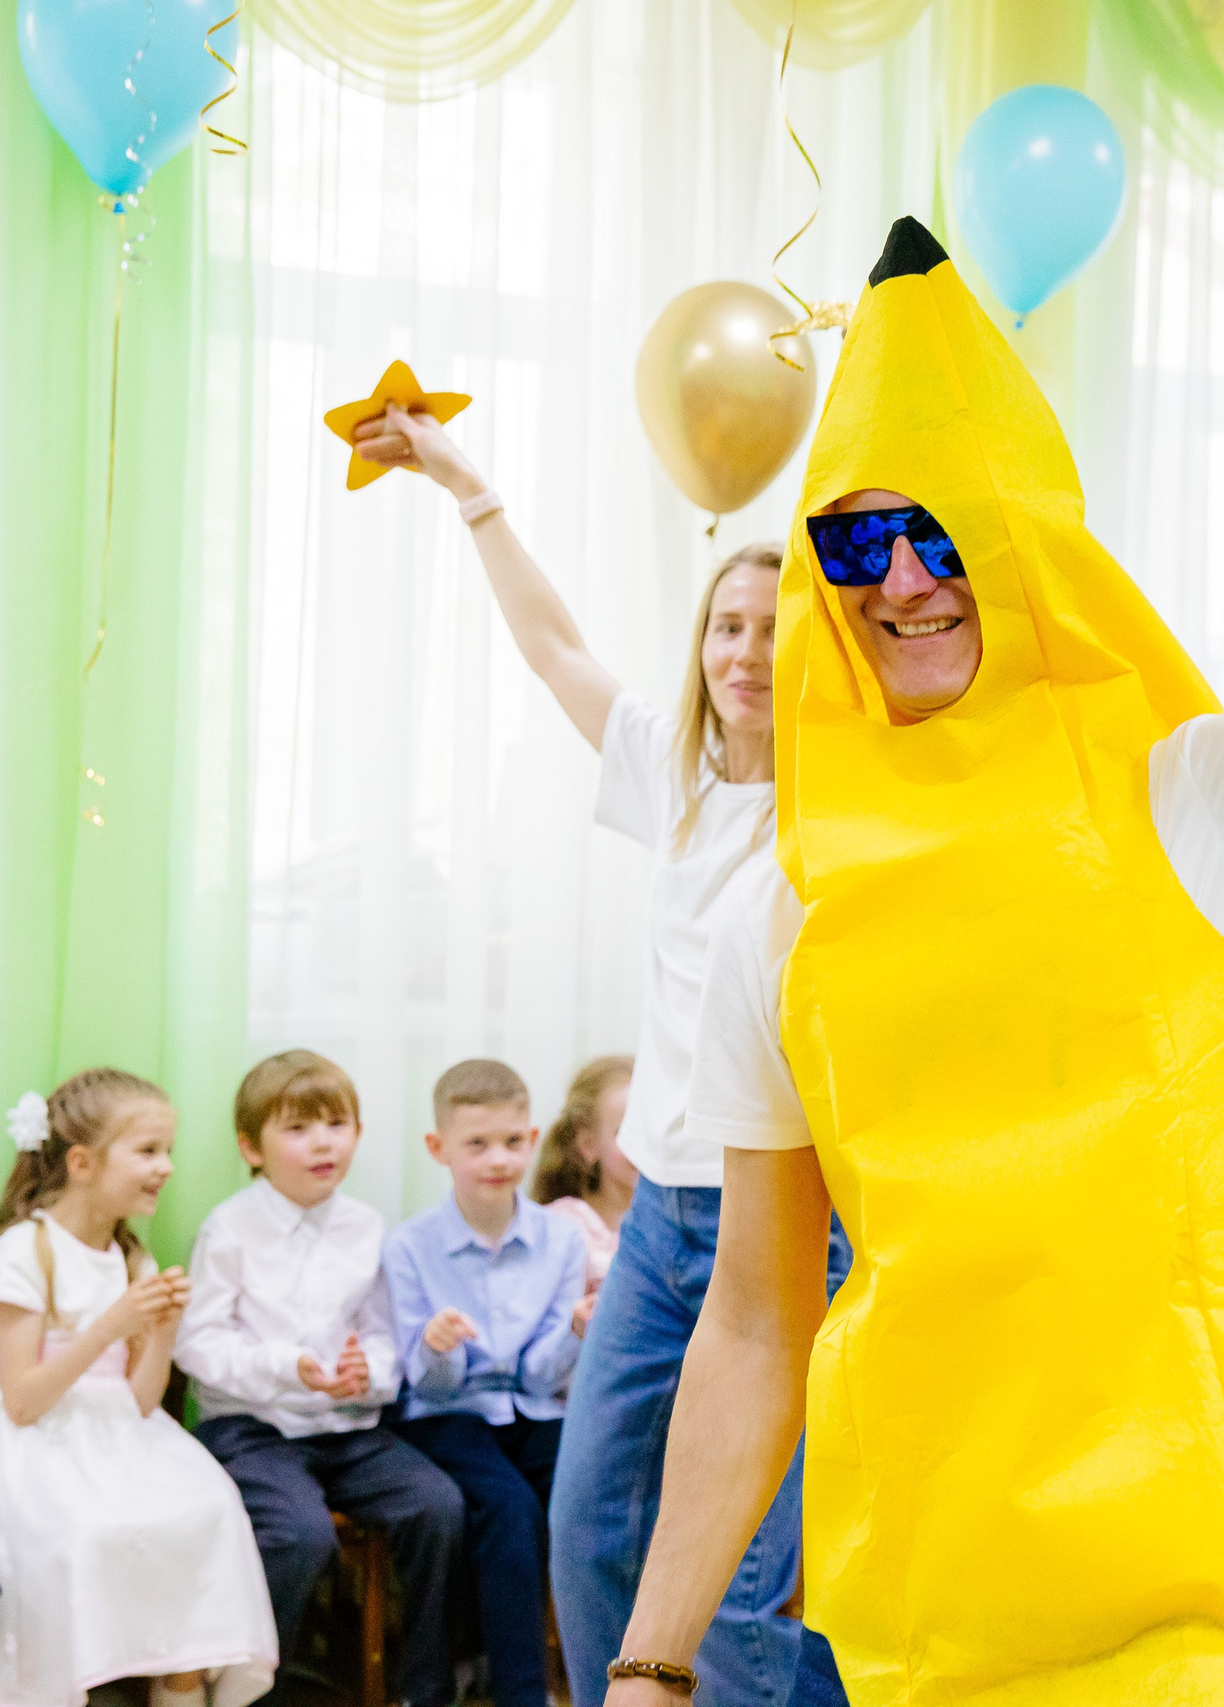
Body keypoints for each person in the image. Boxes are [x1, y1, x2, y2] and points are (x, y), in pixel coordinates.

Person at [605, 123, 1224, 1707]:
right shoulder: (787, 919)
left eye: (940, 529)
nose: (900, 579)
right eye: (853, 539)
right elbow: (756, 1323)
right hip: (953, 1590)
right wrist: (649, 1658)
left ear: (1022, 542)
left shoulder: (1192, 796)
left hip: (1221, 1580)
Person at [352, 375, 851, 1707]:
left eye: (774, 630)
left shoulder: (845, 812)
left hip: (793, 1221)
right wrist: (470, 487)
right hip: (664, 1218)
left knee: (741, 1573)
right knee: (594, 1525)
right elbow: (555, 644)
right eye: (725, 628)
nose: (745, 652)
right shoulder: (673, 779)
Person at [0, 1069, 278, 1707]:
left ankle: (180, 1684)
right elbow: (22, 1401)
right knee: (80, 1531)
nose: (166, 1167)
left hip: (110, 1431)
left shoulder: (132, 1257)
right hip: (26, 1437)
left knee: (207, 1510)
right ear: (81, 1162)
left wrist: (160, 1331)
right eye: (149, 1151)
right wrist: (113, 1324)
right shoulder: (25, 1252)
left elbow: (137, 1404)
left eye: (168, 1151)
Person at [175, 1051, 466, 1707]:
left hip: (348, 1428)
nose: (322, 1142)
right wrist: (288, 1366)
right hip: (252, 1428)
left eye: (336, 1124)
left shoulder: (365, 1226)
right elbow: (198, 1342)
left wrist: (371, 1371)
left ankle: (424, 1690)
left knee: (439, 1506)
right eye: (298, 1128)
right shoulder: (229, 1227)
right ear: (251, 1146)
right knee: (299, 1533)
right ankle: (254, 1689)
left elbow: (386, 1333)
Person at [384, 1059, 588, 1707]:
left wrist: (576, 1330)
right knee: (510, 1508)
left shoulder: (561, 1239)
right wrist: (437, 1347)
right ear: (438, 1149)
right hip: (449, 1413)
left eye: (511, 1140)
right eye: (477, 1143)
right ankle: (522, 1693)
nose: (498, 1158)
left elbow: (540, 1376)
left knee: (593, 1494)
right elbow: (427, 1382)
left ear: (531, 1138)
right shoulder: (410, 1245)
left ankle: (611, 1675)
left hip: (532, 1406)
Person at [530, 1054, 636, 1319]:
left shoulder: (674, 1223)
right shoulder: (563, 1228)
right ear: (588, 1144)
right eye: (628, 1133)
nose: (646, 1149)